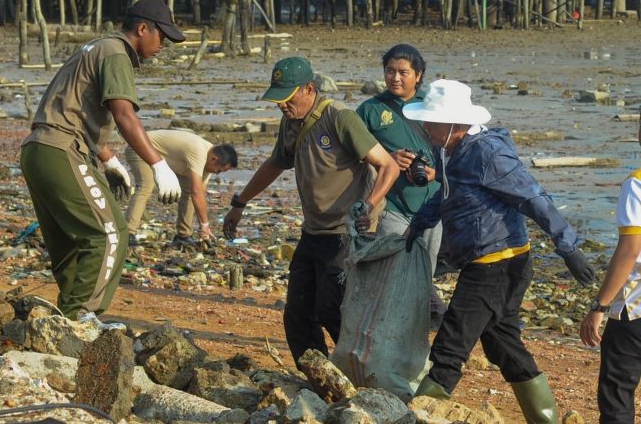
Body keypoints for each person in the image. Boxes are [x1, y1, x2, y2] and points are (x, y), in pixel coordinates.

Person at [404, 79, 596, 423]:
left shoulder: (488, 153)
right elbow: (448, 194)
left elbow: (533, 198)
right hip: (485, 262)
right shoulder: (448, 150)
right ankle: (545, 418)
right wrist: (419, 224)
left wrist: (569, 249)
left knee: (451, 345)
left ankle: (415, 417)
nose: (425, 127)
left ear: (455, 124)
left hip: (498, 265)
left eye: (431, 121)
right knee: (502, 345)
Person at [223, 56, 399, 366]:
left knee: (331, 307)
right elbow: (276, 163)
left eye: (287, 98)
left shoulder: (339, 118)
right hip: (313, 231)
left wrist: (369, 204)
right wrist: (240, 202)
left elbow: (388, 166)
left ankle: (373, 370)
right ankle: (320, 379)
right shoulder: (290, 122)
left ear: (308, 89)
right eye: (278, 99)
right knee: (298, 315)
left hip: (346, 233)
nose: (282, 105)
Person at [19, 0, 185, 322]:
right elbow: (124, 115)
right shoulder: (117, 53)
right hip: (60, 149)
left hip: (37, 150)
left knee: (71, 245)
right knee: (110, 233)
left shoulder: (96, 47)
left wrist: (108, 159)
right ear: (142, 28)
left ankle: (64, 323)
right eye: (161, 37)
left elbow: (74, 106)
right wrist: (158, 164)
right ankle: (84, 317)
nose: (162, 46)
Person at [356, 44, 446, 329]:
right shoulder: (371, 110)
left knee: (424, 271)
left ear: (418, 75)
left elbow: (455, 148)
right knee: (392, 268)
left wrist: (436, 173)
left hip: (432, 204)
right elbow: (351, 154)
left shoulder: (433, 107)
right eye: (390, 71)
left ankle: (416, 326)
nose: (395, 78)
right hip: (392, 205)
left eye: (403, 72)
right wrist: (386, 159)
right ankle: (391, 325)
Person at [579, 114, 641, 424]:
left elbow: (630, 250)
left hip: (635, 309)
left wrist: (600, 306)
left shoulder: (637, 182)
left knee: (617, 393)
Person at [124, 130, 238, 247]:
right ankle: (128, 233)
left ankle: (183, 235)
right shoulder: (199, 151)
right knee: (145, 186)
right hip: (139, 146)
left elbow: (199, 194)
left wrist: (204, 230)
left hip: (163, 157)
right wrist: (204, 225)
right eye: (218, 170)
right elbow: (197, 192)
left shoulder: (209, 159)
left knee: (189, 191)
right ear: (214, 159)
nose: (217, 173)